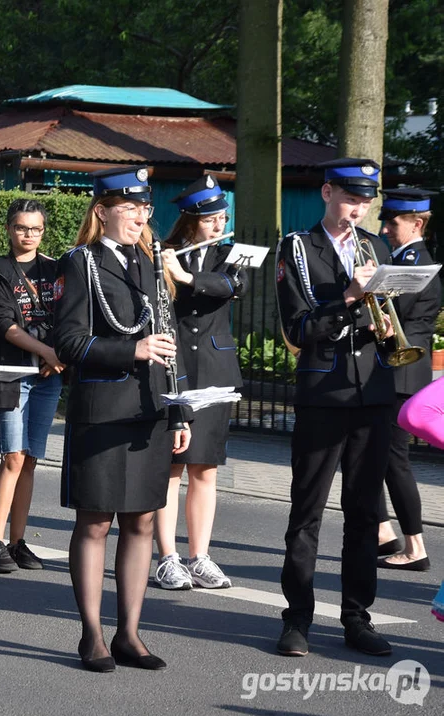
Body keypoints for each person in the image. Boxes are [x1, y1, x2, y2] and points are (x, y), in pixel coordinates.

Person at [52, 166, 191, 673]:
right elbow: (68, 343)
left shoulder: (152, 264)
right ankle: (92, 635)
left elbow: (169, 344)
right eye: (129, 208)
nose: (139, 217)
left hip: (150, 410)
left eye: (144, 209)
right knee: (94, 523)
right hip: (103, 411)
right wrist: (131, 349)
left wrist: (178, 411)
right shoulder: (80, 263)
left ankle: (129, 633)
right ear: (102, 211)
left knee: (143, 521)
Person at [274, 157, 396, 658]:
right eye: (350, 199)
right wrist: (348, 297)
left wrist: (384, 324)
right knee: (307, 513)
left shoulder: (379, 247)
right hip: (324, 394)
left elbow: (389, 318)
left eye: (365, 202)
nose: (358, 210)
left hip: (373, 393)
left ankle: (356, 617)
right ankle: (297, 618)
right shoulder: (298, 249)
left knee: (365, 513)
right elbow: (299, 330)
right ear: (327, 194)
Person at [153, 175, 246, 591]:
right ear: (191, 220)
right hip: (173, 367)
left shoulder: (233, 254)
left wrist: (187, 278)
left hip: (214, 371)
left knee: (204, 468)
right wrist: (167, 269)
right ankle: (168, 557)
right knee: (171, 467)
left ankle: (200, 556)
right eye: (211, 219)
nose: (218, 224)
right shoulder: (162, 253)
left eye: (222, 217)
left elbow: (233, 286)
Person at [0, 198, 63, 573]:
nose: (29, 235)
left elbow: (69, 317)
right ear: (9, 229)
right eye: (22, 228)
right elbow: (3, 325)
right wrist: (47, 350)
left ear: (43, 231)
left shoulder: (57, 270)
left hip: (47, 375)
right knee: (11, 457)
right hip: (12, 374)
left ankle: (18, 541)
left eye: (36, 229)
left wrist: (53, 356)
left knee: (30, 460)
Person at [375, 188, 440, 572]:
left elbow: (391, 314)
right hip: (395, 373)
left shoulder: (415, 264)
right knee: (374, 456)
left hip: (402, 374)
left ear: (416, 224)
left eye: (392, 222)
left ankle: (415, 545)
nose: (384, 229)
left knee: (394, 460)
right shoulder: (402, 259)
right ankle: (383, 532)